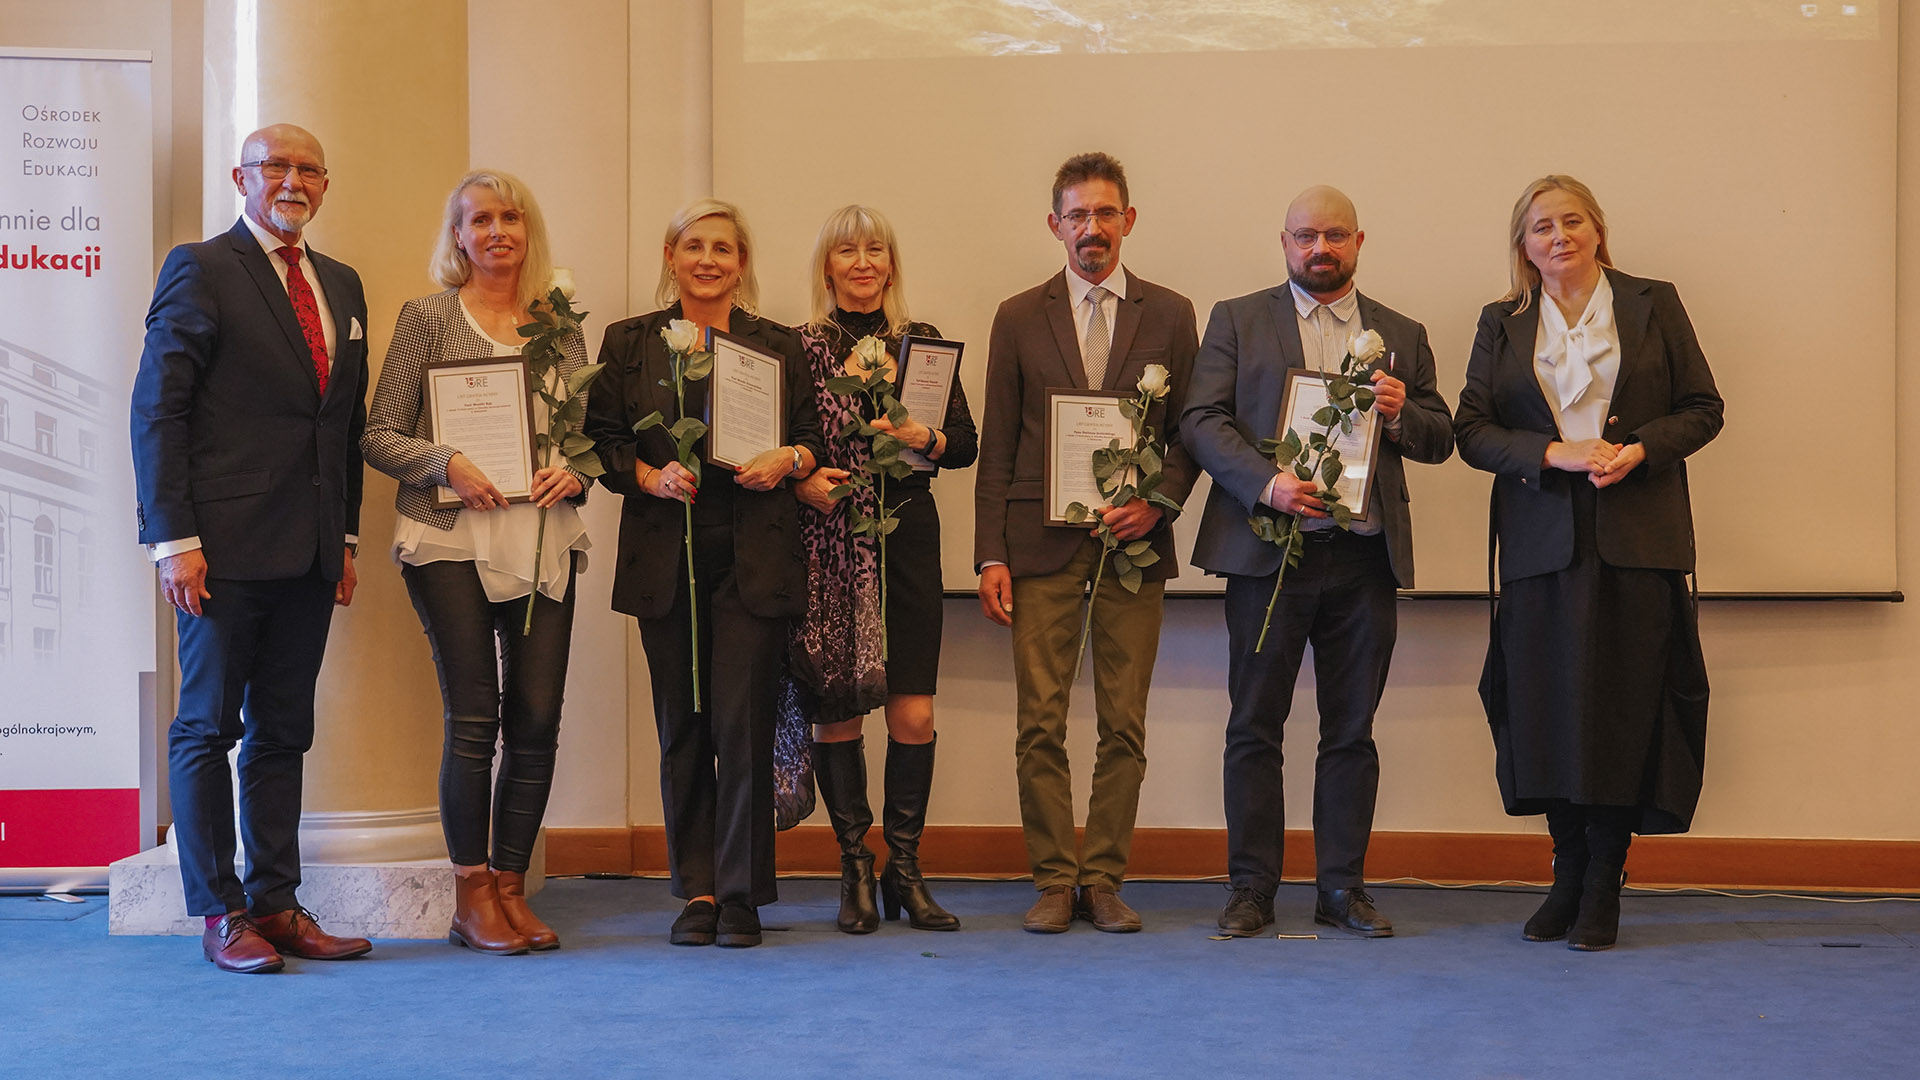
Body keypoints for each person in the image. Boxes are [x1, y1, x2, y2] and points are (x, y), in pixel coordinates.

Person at [1454, 175, 1723, 951]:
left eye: (1572, 221)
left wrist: (1638, 449)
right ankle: (1566, 871)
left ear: (1598, 230)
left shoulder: (1652, 302)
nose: (1559, 236)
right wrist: (1552, 453)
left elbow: (1703, 409)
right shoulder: (1502, 321)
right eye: (1542, 227)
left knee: (1622, 710)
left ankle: (1605, 876)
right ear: (1524, 244)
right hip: (1541, 545)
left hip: (1637, 539)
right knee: (1546, 711)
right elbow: (1473, 430)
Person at [1181, 186, 1454, 939]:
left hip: (1362, 557)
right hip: (1266, 554)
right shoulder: (1237, 319)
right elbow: (1200, 420)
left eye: (1334, 235)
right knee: (1253, 727)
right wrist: (1266, 483)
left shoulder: (1401, 332)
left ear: (1359, 241)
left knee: (1352, 730)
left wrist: (1399, 413)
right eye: (1305, 236)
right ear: (1285, 243)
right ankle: (1251, 889)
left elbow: (1440, 436)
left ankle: (1341, 889)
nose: (1319, 248)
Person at [130, 124, 372, 973]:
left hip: (310, 554)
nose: (292, 180)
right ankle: (219, 913)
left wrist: (345, 536)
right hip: (219, 552)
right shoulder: (201, 267)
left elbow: (343, 424)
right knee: (207, 728)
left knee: (282, 733)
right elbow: (158, 409)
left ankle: (276, 903)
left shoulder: (341, 283)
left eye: (309, 168)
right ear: (242, 178)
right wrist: (173, 541)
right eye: (275, 166)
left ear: (325, 184)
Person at [360, 170, 590, 955]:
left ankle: (512, 889)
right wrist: (447, 462)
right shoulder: (426, 317)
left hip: (542, 538)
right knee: (474, 720)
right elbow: (380, 433)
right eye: (480, 219)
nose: (497, 232)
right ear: (457, 235)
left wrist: (576, 473)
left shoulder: (561, 324)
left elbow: (585, 435)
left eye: (510, 218)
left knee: (537, 720)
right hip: (448, 539)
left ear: (528, 231)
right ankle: (470, 895)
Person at [585, 199, 823, 949]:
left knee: (742, 725)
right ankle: (698, 888)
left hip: (753, 555)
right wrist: (649, 477)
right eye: (694, 246)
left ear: (741, 262)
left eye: (723, 248)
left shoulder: (777, 344)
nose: (709, 260)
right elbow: (602, 441)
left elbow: (811, 438)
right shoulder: (629, 341)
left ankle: (742, 894)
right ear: (671, 256)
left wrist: (788, 459)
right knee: (682, 726)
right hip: (667, 554)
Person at [974, 152, 1199, 934]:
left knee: (1123, 724)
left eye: (1105, 213)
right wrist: (990, 554)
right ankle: (1052, 880)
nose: (1091, 228)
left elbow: (1189, 433)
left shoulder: (1171, 314)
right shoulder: (1016, 316)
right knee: (1039, 722)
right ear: (1055, 225)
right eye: (1077, 215)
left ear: (1127, 220)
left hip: (1134, 550)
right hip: (1038, 547)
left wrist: (1157, 506)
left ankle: (1102, 879)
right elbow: (998, 444)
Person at [787, 205, 978, 934]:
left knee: (914, 712)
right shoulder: (801, 346)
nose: (862, 263)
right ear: (827, 266)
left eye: (875, 250)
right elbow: (784, 443)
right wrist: (805, 479)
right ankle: (853, 867)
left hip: (908, 536)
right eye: (847, 251)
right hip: (831, 538)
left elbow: (963, 444)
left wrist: (921, 433)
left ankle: (905, 866)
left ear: (891, 264)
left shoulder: (920, 343)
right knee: (837, 709)